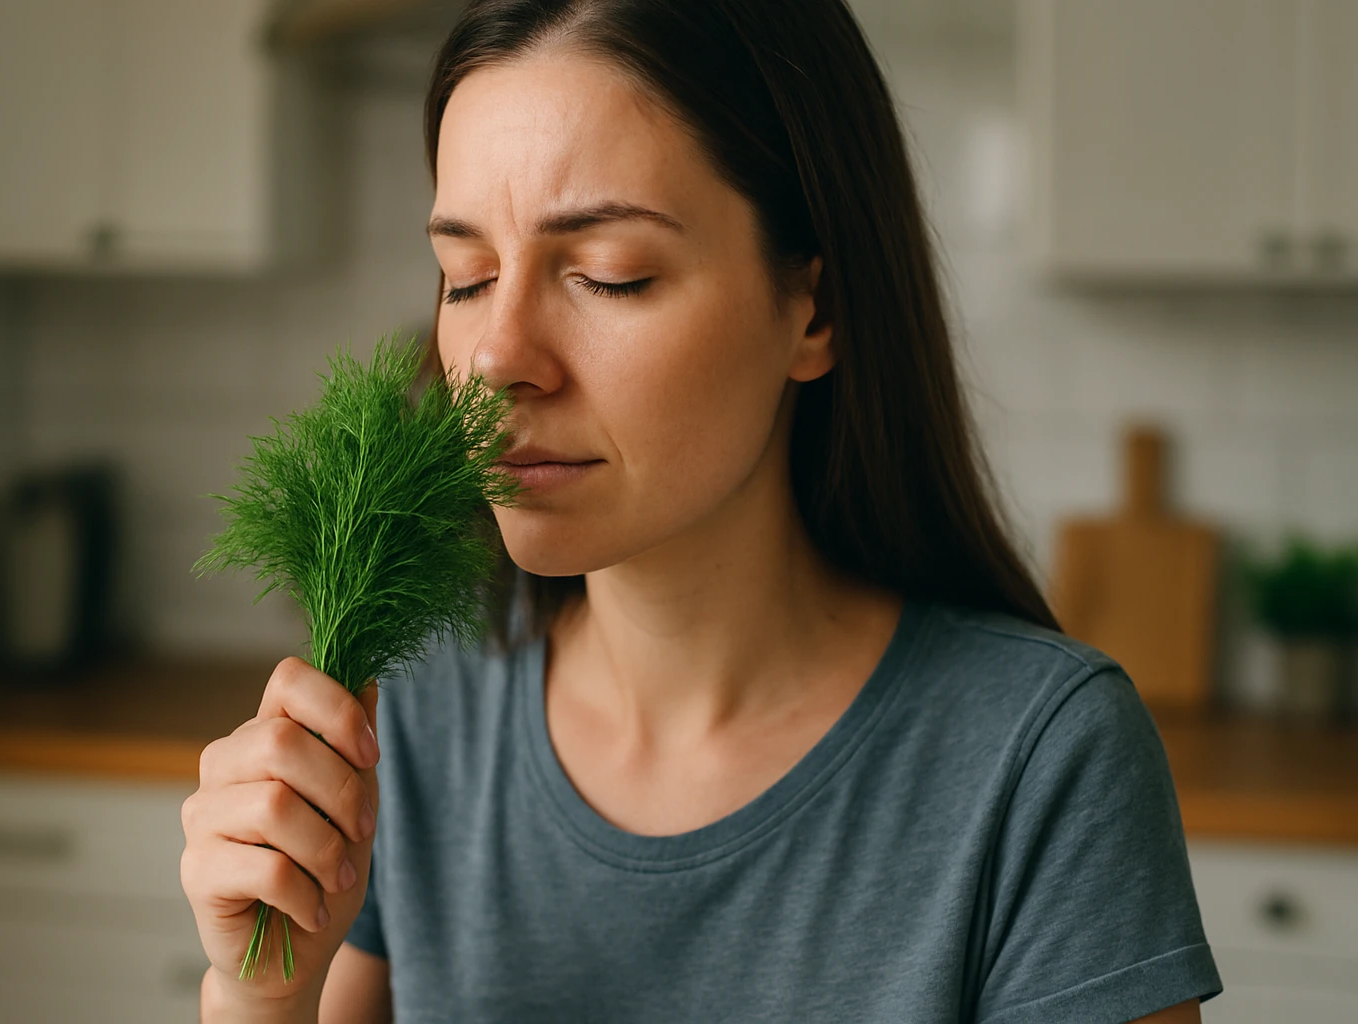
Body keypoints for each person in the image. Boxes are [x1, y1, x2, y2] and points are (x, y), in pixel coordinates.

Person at [181, 1, 1224, 1021]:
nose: (496, 359)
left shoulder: (1040, 760)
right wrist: (259, 992)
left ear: (815, 308)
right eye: (467, 277)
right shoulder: (418, 716)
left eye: (608, 275)